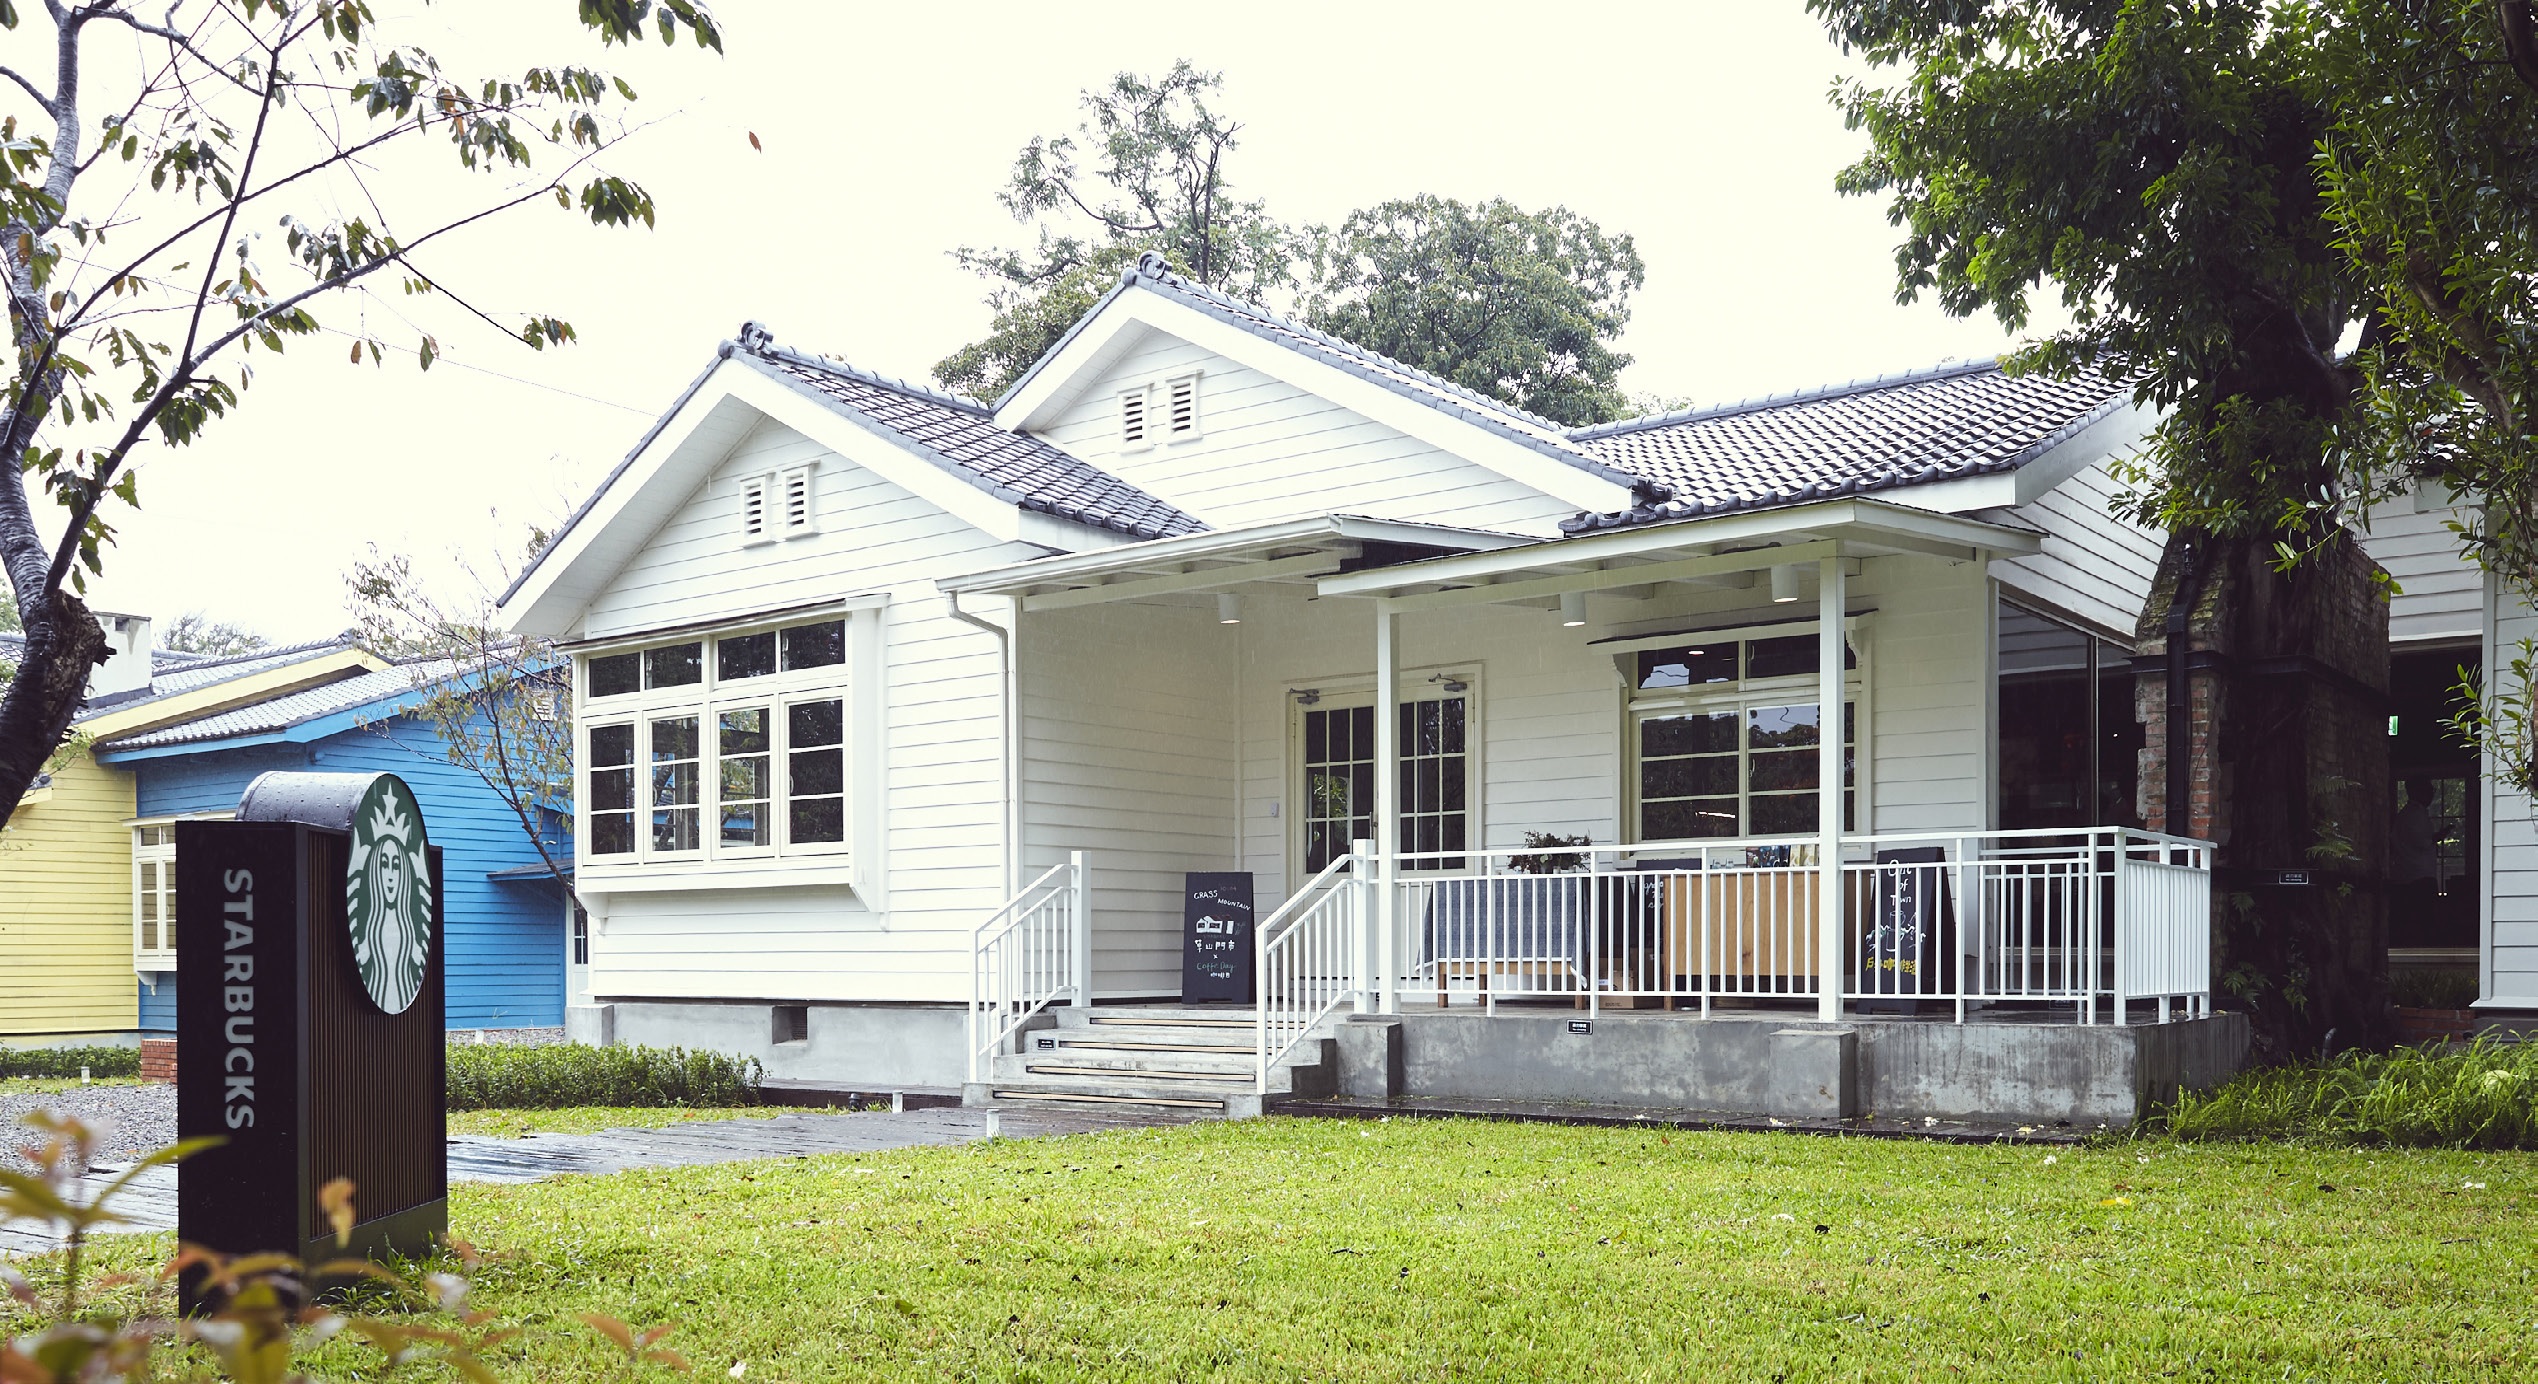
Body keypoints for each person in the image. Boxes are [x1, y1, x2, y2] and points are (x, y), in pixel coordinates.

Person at [2391, 778, 2441, 934]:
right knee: (2422, 923)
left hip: (2411, 874)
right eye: (2430, 791)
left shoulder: (2409, 814)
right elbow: (2422, 842)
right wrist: (2438, 836)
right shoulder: (2414, 815)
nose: (2431, 796)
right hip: (2418, 876)